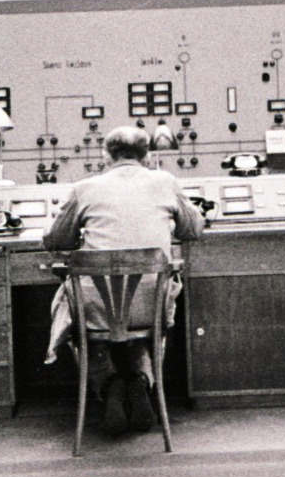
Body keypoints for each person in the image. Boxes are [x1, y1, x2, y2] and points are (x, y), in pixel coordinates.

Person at [42, 125, 206, 436]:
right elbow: (193, 230)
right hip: (150, 308)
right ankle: (141, 382)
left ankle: (111, 383)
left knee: (78, 314)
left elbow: (55, 239)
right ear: (147, 155)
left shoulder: (85, 188)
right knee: (143, 328)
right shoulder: (165, 182)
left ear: (106, 154)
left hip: (97, 311)